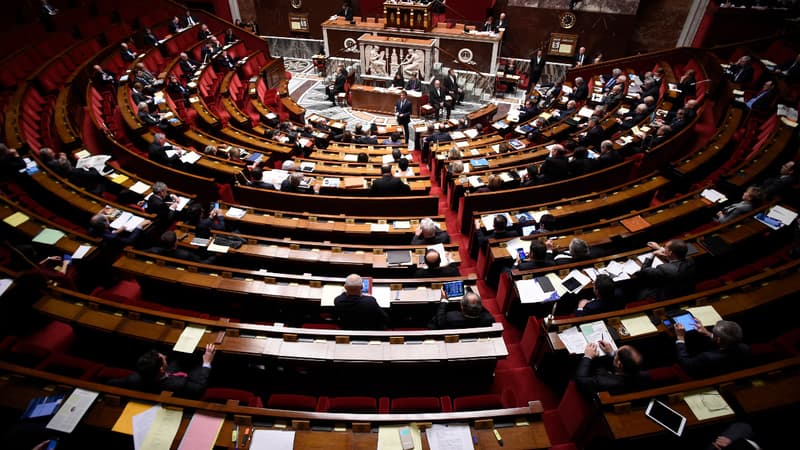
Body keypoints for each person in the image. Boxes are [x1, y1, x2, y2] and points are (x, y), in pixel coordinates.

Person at [110, 344, 215, 399]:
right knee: (198, 365)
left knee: (179, 359)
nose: (165, 356)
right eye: (163, 358)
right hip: (175, 382)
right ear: (161, 369)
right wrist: (206, 362)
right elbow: (199, 387)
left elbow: (111, 383)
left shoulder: (134, 378)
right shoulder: (179, 384)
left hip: (160, 378)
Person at [675, 319, 750, 378]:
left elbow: (686, 364)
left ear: (718, 339)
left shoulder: (708, 357)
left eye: (714, 334)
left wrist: (680, 338)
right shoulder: (745, 348)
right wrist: (707, 333)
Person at [576, 341, 649, 395]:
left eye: (616, 352)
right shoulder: (644, 375)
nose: (615, 352)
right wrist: (611, 353)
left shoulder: (604, 382)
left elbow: (582, 379)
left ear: (619, 364)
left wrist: (588, 356)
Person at [429, 291, 495, 329]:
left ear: (462, 307)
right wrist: (475, 301)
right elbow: (485, 311)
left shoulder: (450, 318)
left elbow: (438, 321)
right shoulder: (489, 319)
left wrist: (444, 301)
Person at [146, 230, 212, 263]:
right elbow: (202, 263)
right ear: (175, 243)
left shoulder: (153, 250)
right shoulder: (186, 254)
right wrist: (214, 257)